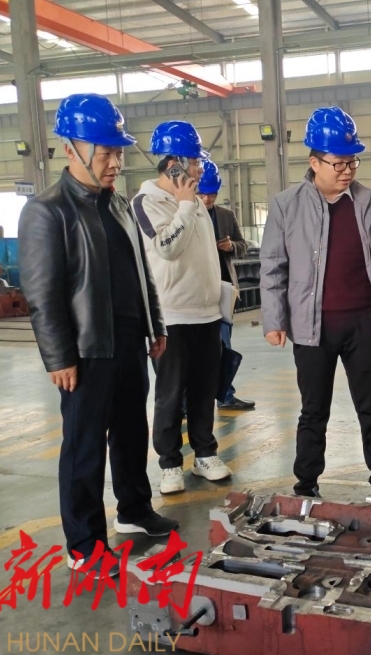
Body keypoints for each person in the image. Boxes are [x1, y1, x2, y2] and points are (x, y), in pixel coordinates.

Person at [18, 94, 177, 576]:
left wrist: (155, 324)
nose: (115, 162)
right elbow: (42, 293)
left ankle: (134, 509)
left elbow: (142, 272)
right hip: (86, 351)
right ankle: (84, 545)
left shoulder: (119, 205)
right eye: (105, 152)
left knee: (131, 434)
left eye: (118, 151)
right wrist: (58, 357)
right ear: (72, 149)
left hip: (128, 342)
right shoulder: (48, 211)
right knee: (84, 446)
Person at [260, 106, 371, 498]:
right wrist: (274, 320)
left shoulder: (368, 203)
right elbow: (273, 267)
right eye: (339, 163)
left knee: (370, 405)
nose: (347, 170)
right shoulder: (286, 205)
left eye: (352, 161)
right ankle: (306, 484)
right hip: (312, 326)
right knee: (313, 409)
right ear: (314, 162)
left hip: (363, 322)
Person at [132, 120, 233, 495]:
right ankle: (170, 463)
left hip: (207, 314)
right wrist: (187, 205)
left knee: (205, 390)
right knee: (171, 395)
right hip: (171, 318)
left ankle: (205, 454)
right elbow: (167, 248)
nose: (200, 169)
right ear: (173, 164)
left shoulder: (197, 205)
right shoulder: (146, 202)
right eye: (195, 162)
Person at [197, 160, 255, 411]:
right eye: (202, 193)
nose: (207, 199)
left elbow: (244, 245)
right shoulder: (183, 214)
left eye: (212, 194)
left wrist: (231, 246)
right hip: (194, 292)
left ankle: (225, 395)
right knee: (192, 349)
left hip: (222, 289)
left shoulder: (225, 216)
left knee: (224, 345)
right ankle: (187, 401)